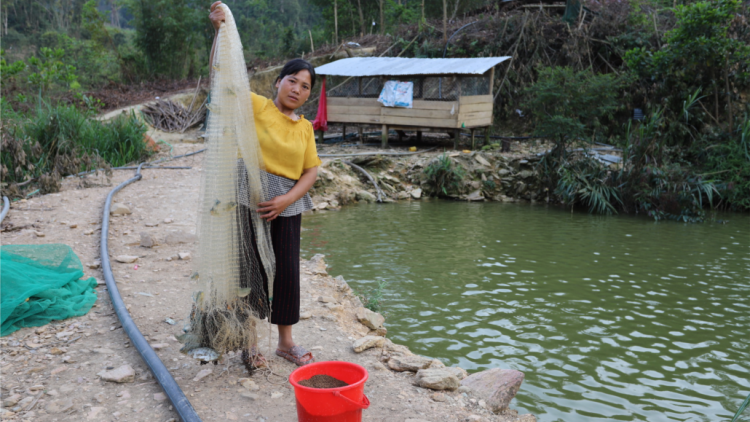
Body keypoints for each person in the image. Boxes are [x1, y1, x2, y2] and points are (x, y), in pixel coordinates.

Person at [209, 1, 321, 367]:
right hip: (250, 196)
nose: (297, 89)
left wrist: (286, 200)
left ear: (308, 95)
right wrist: (219, 33)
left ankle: (286, 344)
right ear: (278, 82)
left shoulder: (305, 128)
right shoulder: (257, 107)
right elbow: (222, 76)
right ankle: (249, 345)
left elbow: (311, 172)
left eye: (305, 87)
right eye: (292, 80)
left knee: (286, 270)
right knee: (250, 268)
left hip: (286, 205)